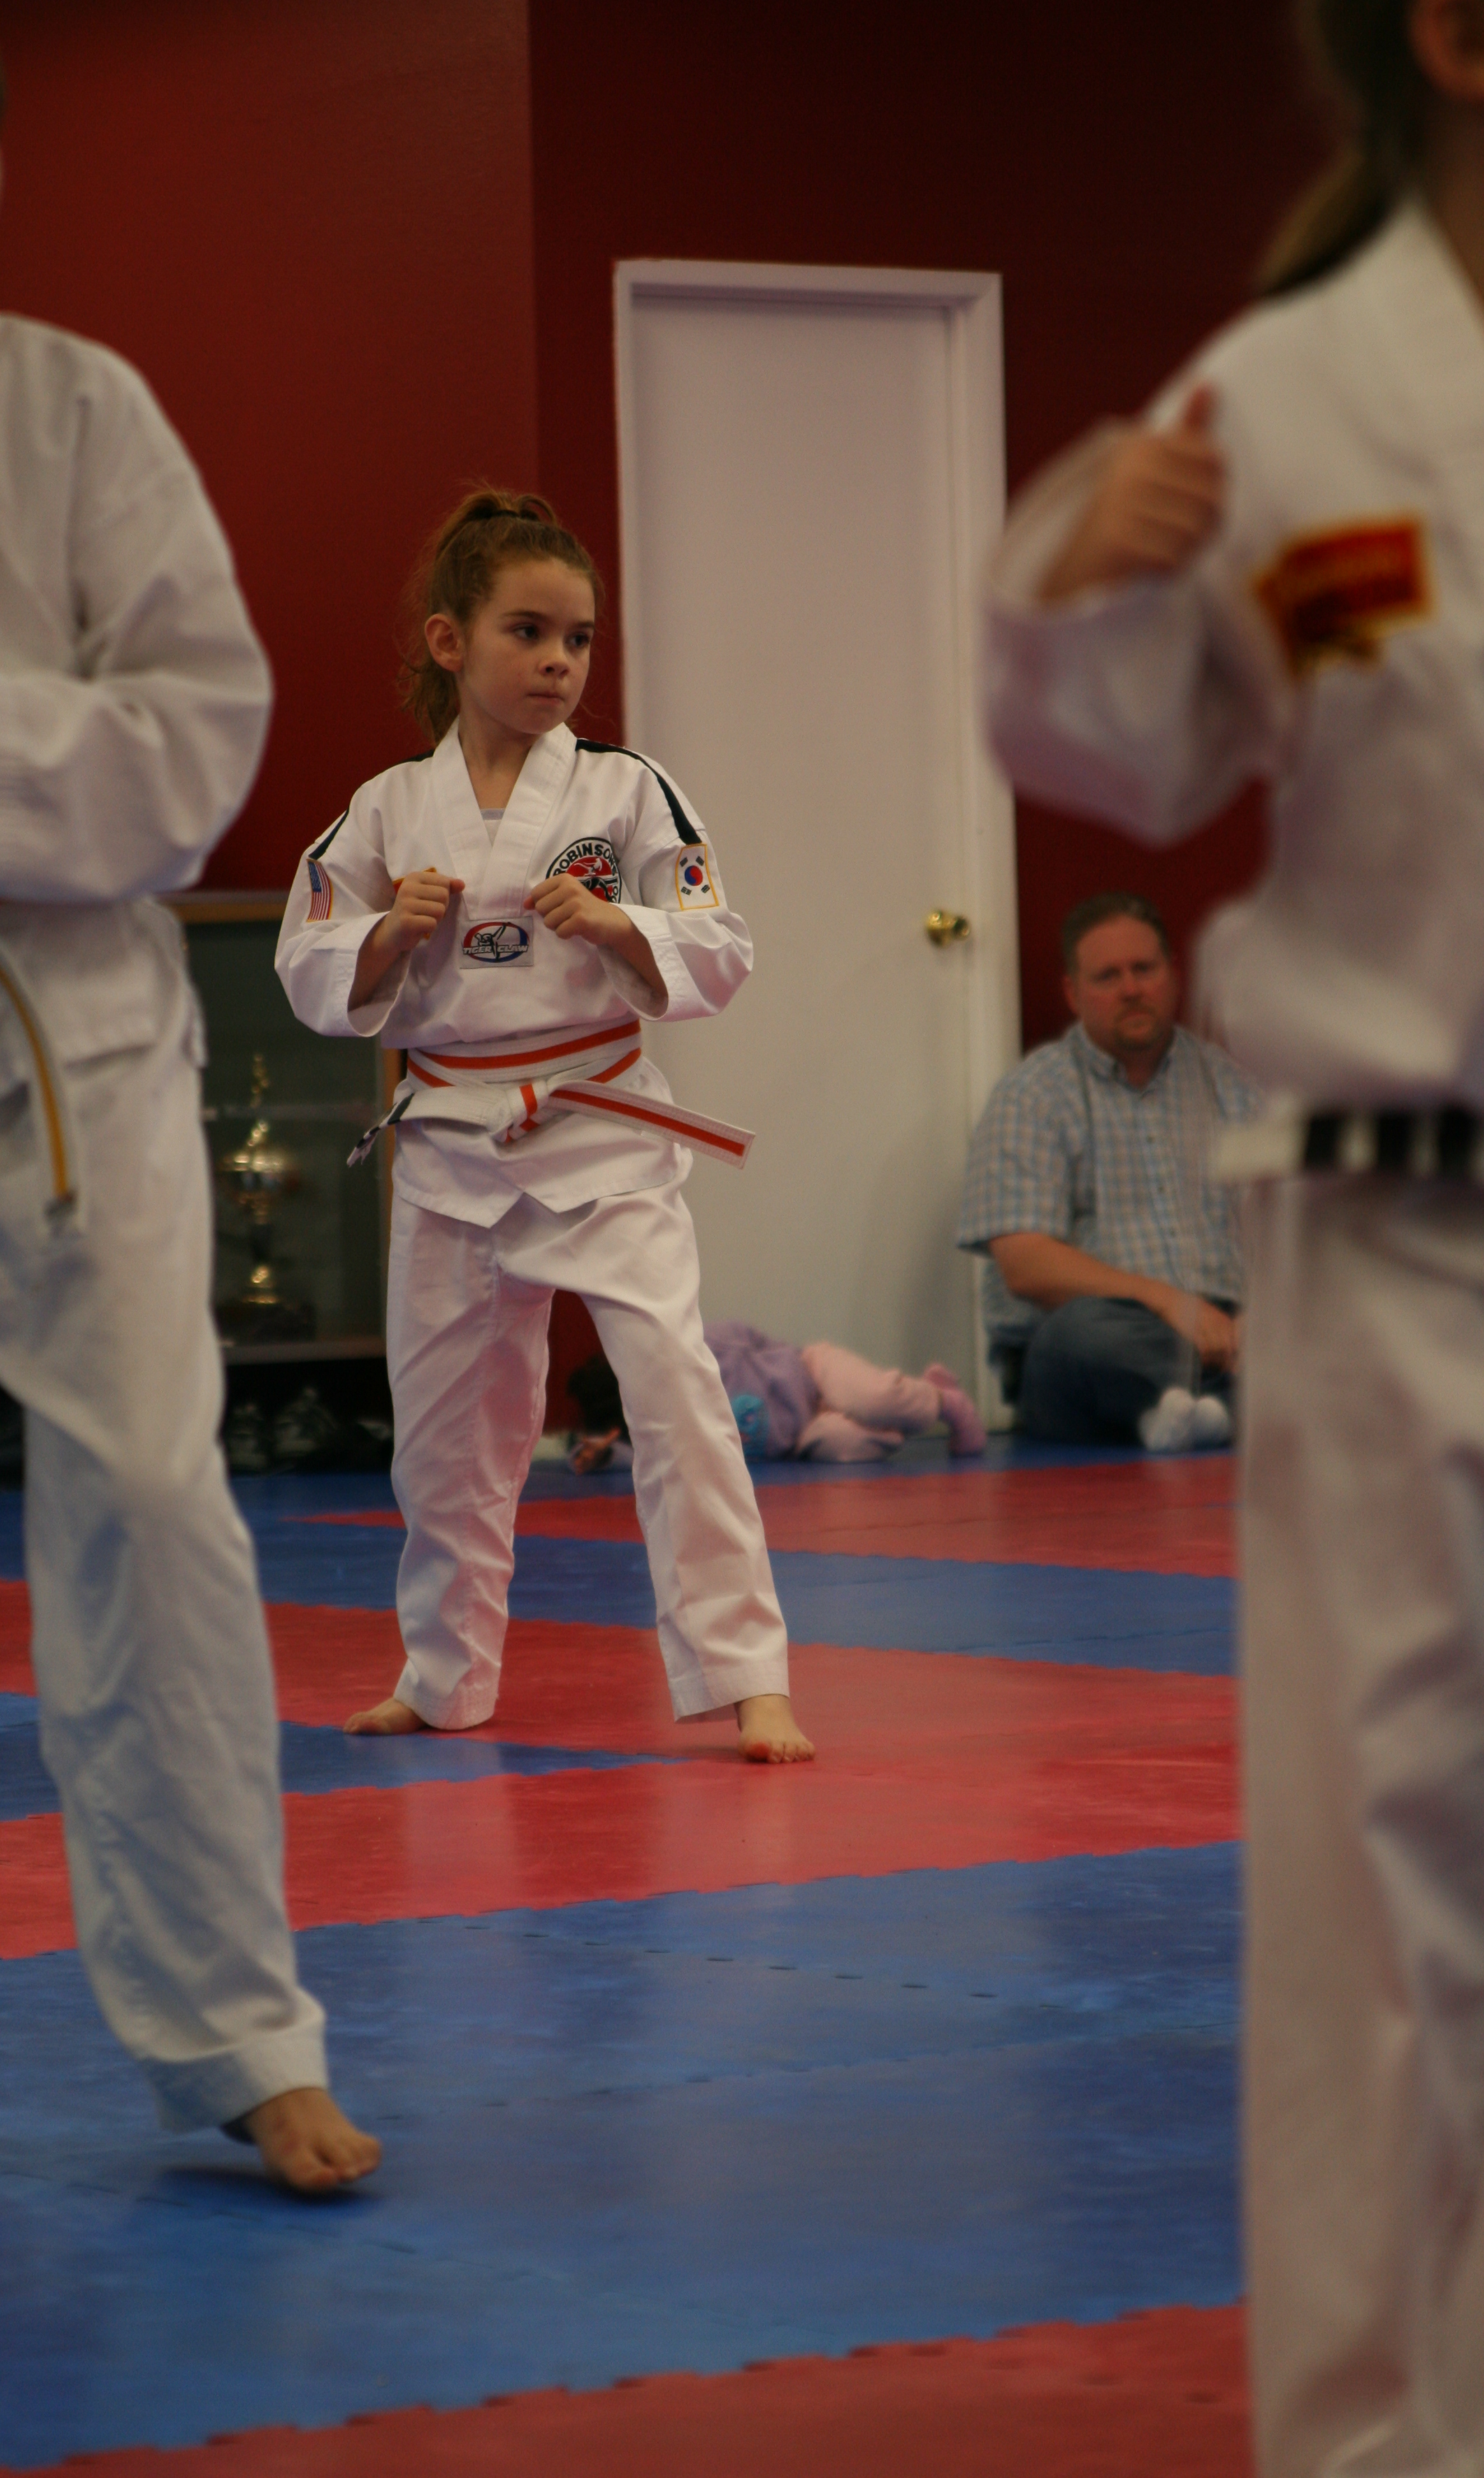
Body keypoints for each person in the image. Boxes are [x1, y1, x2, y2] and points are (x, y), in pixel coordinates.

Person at [984, 0, 1484, 2464]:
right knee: (1383, 1906)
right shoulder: (1282, 399)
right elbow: (1117, 742)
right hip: (1401, 1230)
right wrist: (1066, 583)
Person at [0, 0, 377, 2193]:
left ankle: (238, 2028)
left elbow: (202, 730)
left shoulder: (77, 406)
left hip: (57, 1018)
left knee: (155, 1501)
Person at [277, 489, 812, 1764]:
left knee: (676, 1394)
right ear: (449, 640)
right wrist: (387, 935)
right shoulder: (386, 807)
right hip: (450, 1139)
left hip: (599, 1126)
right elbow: (308, 957)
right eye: (527, 632)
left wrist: (620, 923)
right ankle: (443, 1674)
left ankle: (748, 1674)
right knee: (446, 1433)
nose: (559, 661)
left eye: (578, 638)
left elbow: (721, 943)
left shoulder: (628, 790)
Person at [957, 891, 1261, 1451]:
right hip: (1100, 1345)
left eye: (1144, 969)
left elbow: (1287, 1231)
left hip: (1232, 1334)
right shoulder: (1032, 1096)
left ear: (1173, 974)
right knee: (1078, 1335)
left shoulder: (1234, 1088)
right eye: (1108, 976)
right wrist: (1168, 1302)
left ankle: (1205, 1412)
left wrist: (1260, 1318)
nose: (1131, 989)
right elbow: (1025, 1265)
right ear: (1074, 993)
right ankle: (1238, 1409)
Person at [565, 1326, 986, 1471]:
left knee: (873, 1397)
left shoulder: (701, 1350)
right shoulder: (665, 1436)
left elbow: (750, 1338)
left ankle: (947, 1402)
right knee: (842, 1445)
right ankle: (913, 1405)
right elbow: (639, 1459)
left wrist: (785, 1362)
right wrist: (599, 1454)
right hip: (805, 1435)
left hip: (813, 1373)